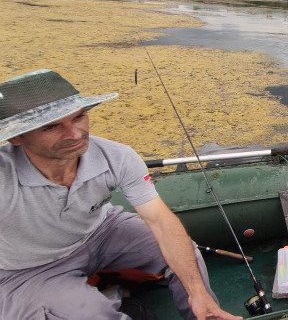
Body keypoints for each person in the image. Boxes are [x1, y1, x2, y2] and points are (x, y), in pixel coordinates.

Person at [0, 69, 240, 320]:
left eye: (79, 117)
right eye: (51, 127)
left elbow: (160, 221)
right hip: (28, 268)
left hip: (100, 232)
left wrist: (197, 292)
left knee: (185, 255)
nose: (75, 134)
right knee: (92, 313)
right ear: (16, 137)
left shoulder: (116, 156)